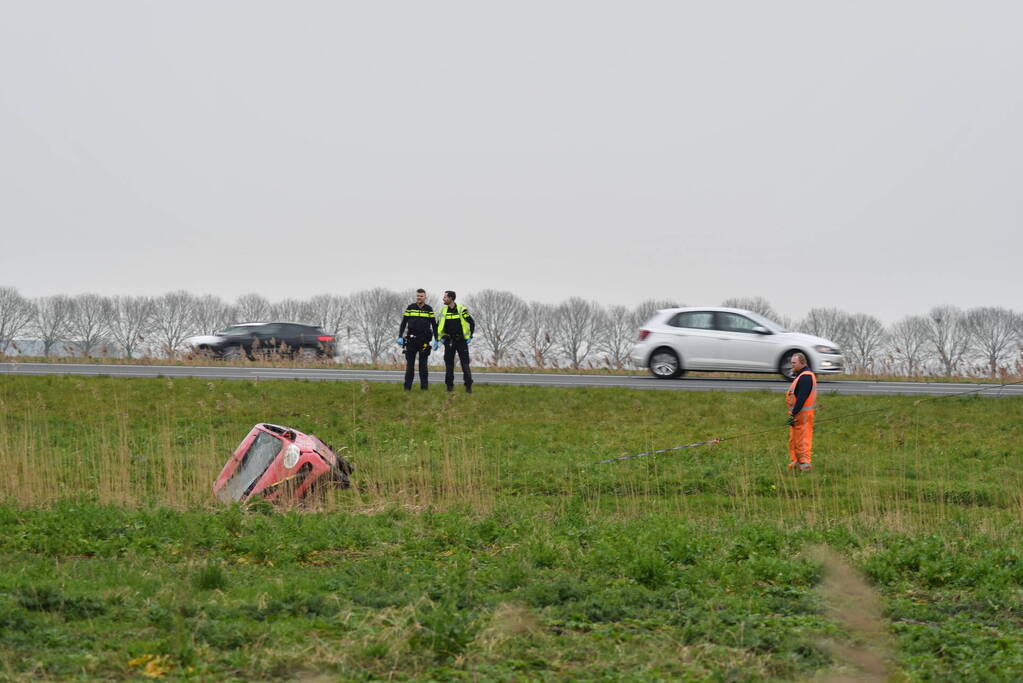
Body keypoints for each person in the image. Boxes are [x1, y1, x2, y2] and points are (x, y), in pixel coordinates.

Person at [397, 288, 438, 391]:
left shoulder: (429, 309)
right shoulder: (410, 308)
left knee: (423, 366)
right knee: (410, 365)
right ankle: (407, 389)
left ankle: (424, 389)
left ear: (425, 297)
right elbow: (403, 322)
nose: (419, 298)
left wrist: (436, 339)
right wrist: (400, 336)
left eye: (421, 296)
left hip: (424, 341)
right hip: (411, 340)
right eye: (418, 296)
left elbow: (434, 324)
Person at [437, 290, 475, 393]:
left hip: (461, 341)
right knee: (449, 365)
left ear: (451, 298)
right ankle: (449, 388)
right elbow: (437, 325)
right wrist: (438, 339)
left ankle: (468, 388)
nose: (443, 299)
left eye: (445, 297)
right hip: (448, 341)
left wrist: (470, 336)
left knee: (465, 364)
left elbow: (471, 322)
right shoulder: (442, 311)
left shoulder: (461, 310)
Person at [786, 352, 817, 471]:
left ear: (802, 363)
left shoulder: (806, 377)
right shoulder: (801, 375)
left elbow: (802, 398)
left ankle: (805, 465)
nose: (792, 365)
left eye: (794, 363)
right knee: (795, 439)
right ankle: (796, 462)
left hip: (803, 415)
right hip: (798, 415)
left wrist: (794, 413)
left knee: (803, 440)